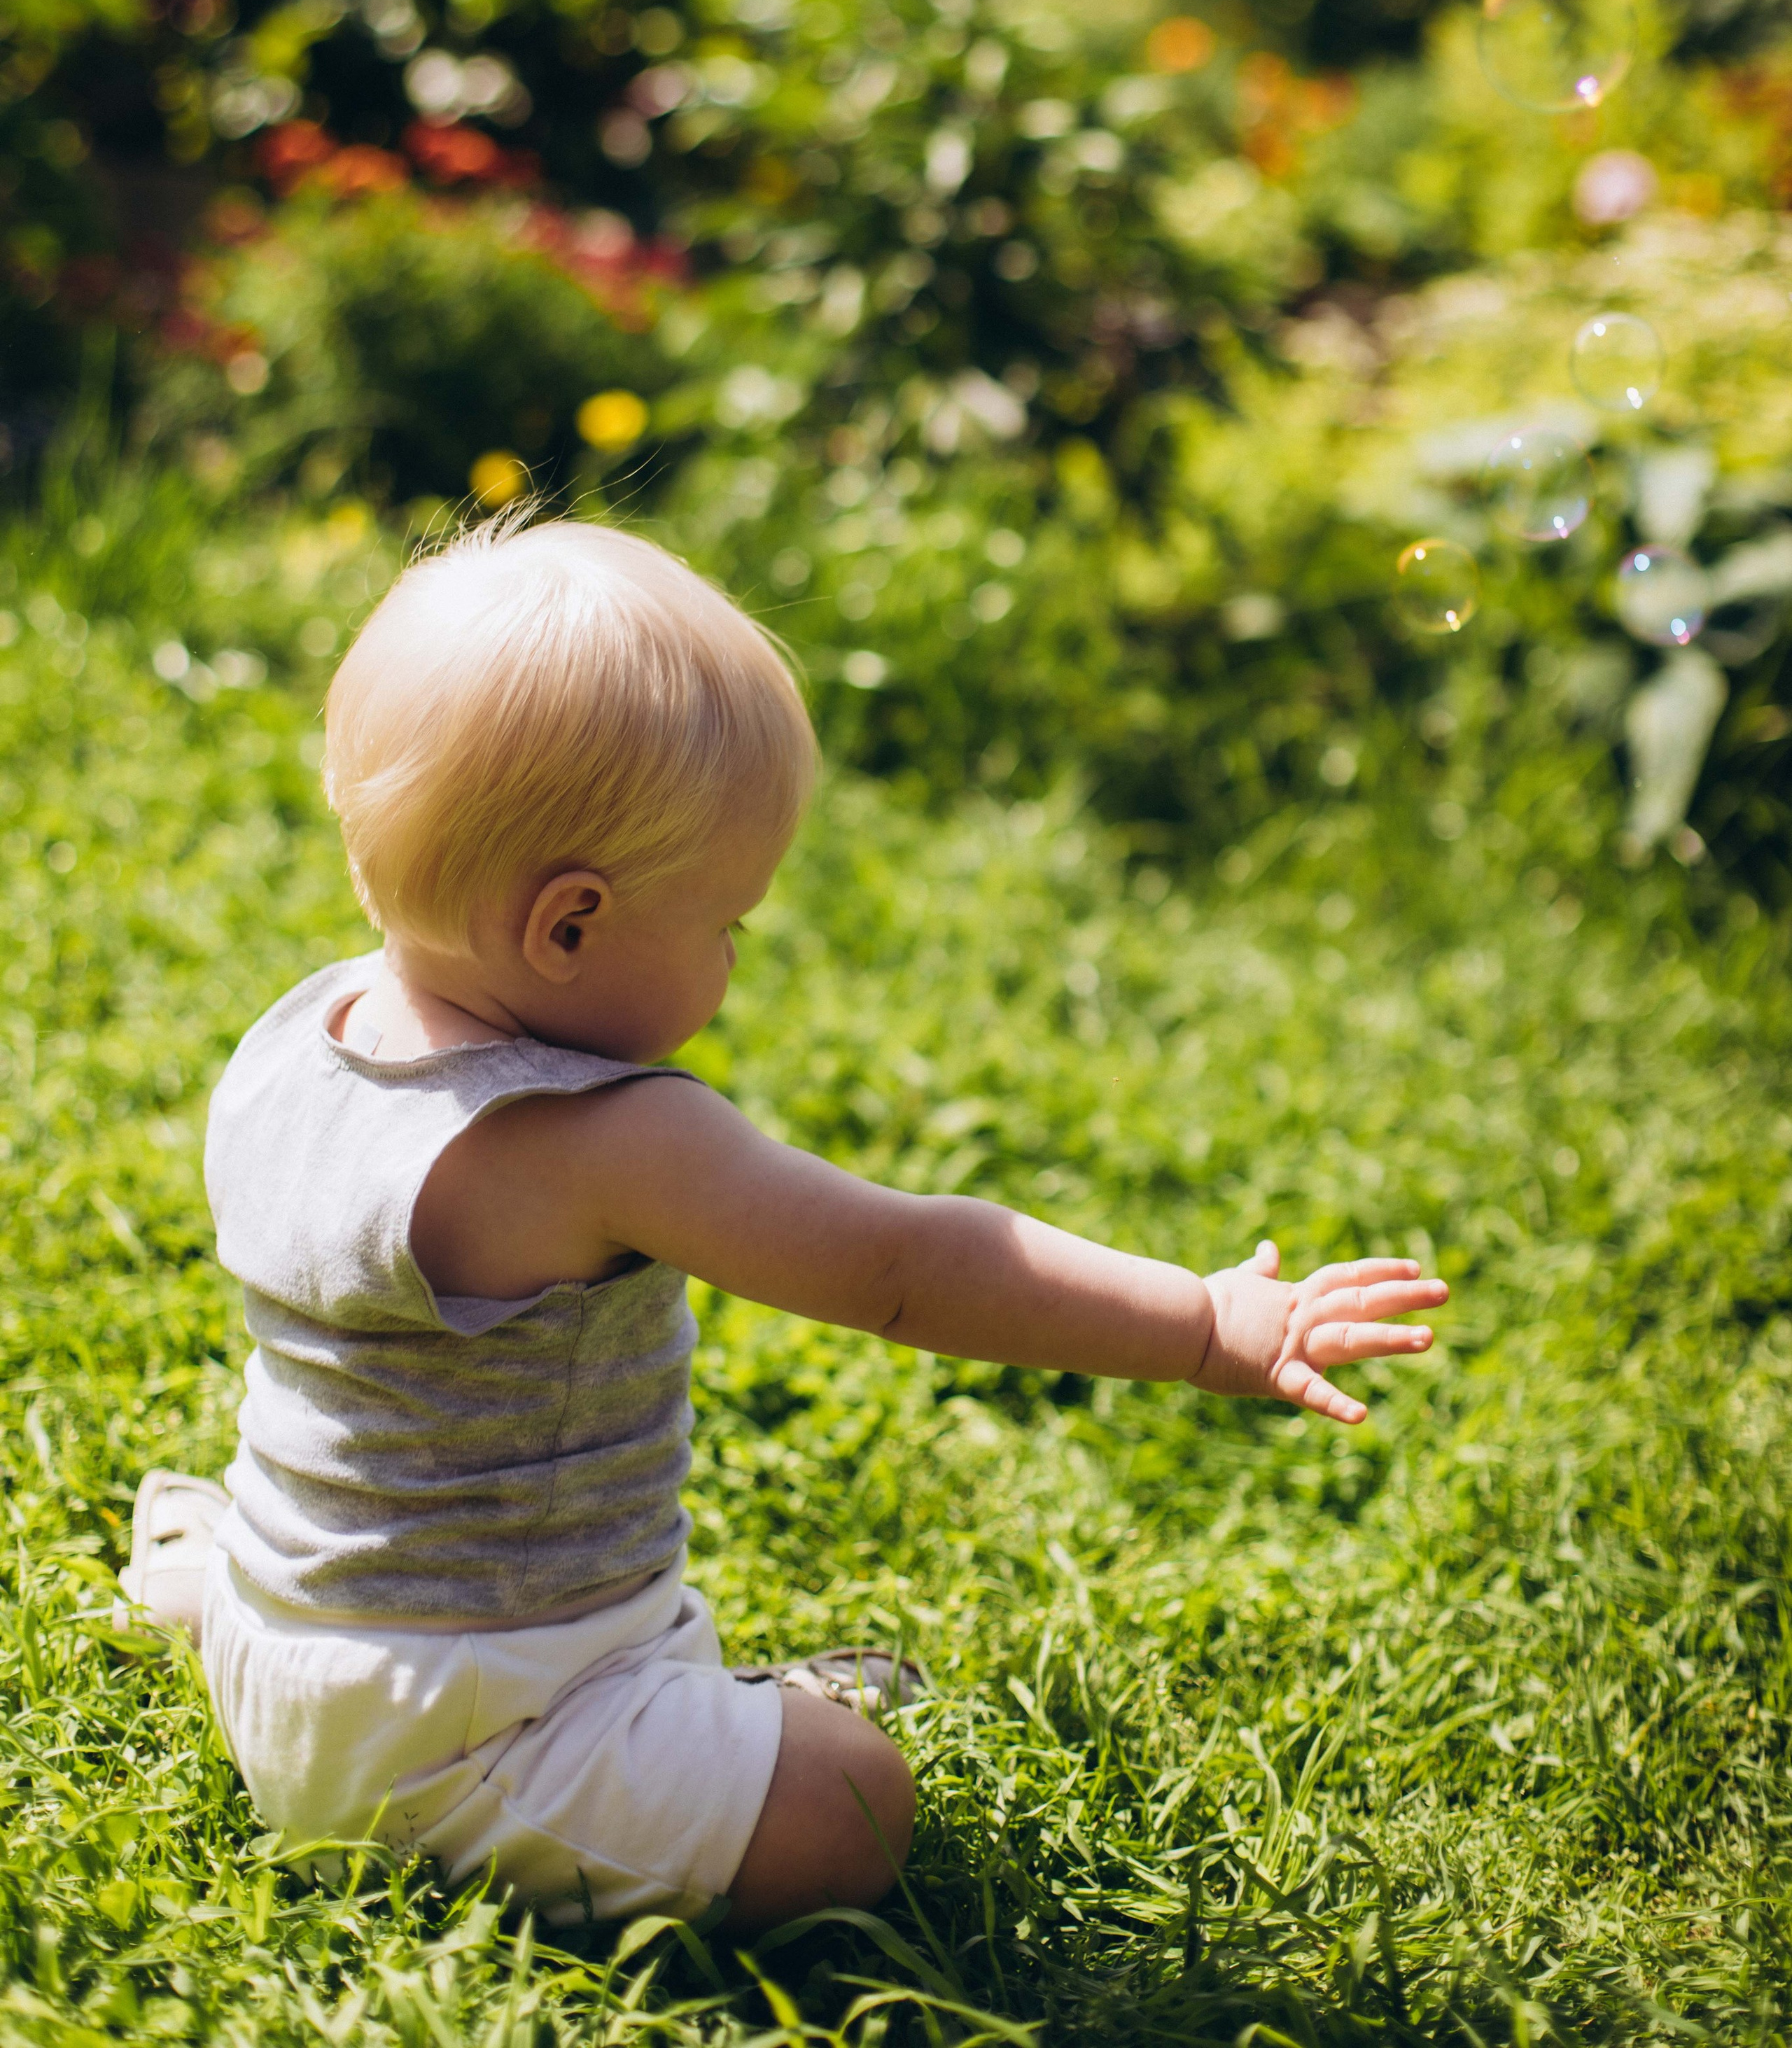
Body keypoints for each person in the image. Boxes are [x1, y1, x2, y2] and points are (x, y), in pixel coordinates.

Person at [121, 517, 1448, 1934]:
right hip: (478, 1731)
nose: (735, 966)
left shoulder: (297, 1037)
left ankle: (200, 1589)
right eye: (725, 927)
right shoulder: (600, 1142)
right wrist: (1197, 1324)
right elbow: (901, 1267)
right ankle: (700, 1722)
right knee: (849, 1795)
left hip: (298, 1630)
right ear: (566, 928)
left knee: (308, 1548)